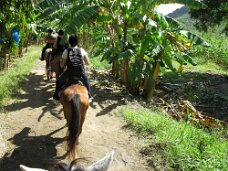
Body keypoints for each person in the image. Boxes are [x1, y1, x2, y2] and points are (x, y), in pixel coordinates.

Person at [53, 34, 92, 102]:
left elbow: (62, 66)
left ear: (69, 42)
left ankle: (56, 98)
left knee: (58, 81)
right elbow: (87, 63)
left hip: (69, 73)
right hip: (81, 72)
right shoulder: (82, 50)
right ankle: (89, 96)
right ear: (77, 42)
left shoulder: (66, 51)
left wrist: (62, 62)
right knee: (87, 83)